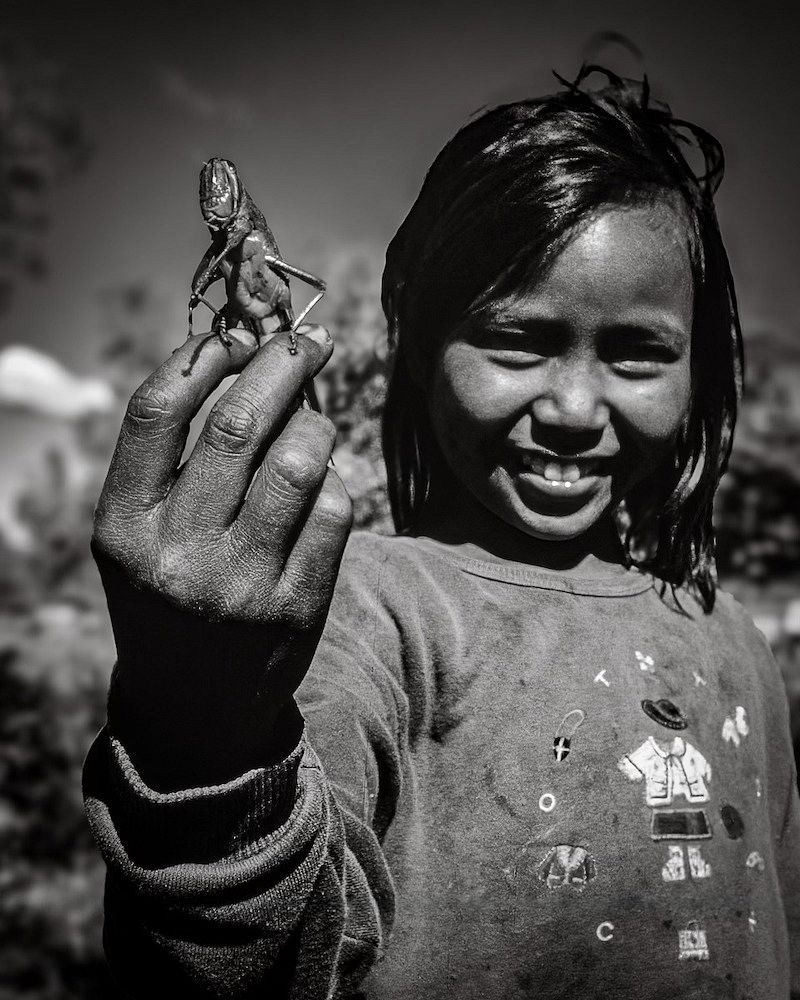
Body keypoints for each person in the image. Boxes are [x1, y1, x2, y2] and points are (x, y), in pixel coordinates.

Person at [82, 66, 800, 999]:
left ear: (698, 372)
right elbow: (253, 966)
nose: (575, 409)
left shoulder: (737, 642)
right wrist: (201, 737)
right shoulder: (360, 614)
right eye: (517, 342)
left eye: (638, 353)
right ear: (420, 346)